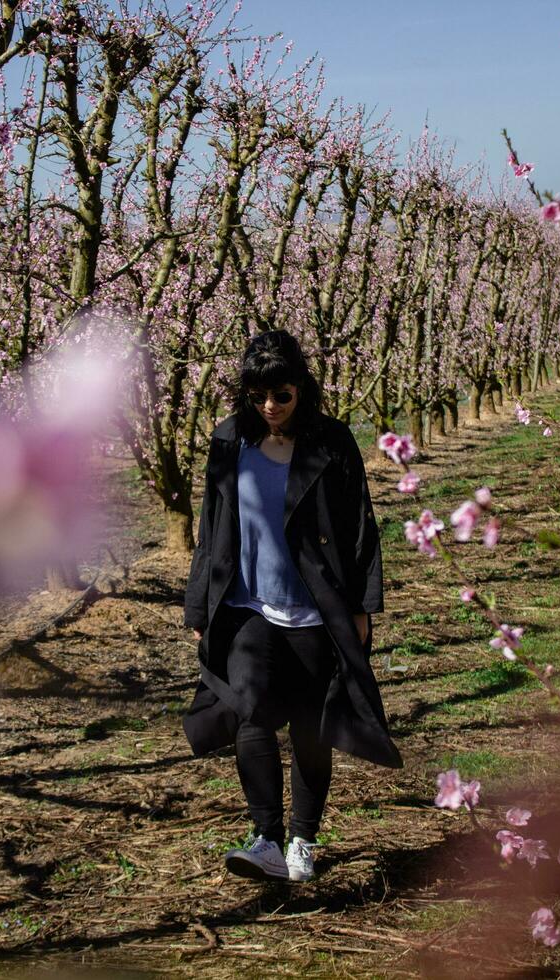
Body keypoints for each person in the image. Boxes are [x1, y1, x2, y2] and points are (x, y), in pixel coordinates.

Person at [182, 329, 402, 884]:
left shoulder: (332, 443)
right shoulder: (230, 441)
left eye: (281, 394)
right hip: (246, 604)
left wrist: (361, 607)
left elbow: (360, 528)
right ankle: (266, 838)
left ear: (301, 386)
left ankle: (303, 839)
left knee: (310, 723)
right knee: (250, 706)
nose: (270, 407)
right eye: (258, 396)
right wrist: (200, 607)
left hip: (313, 606)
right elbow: (211, 529)